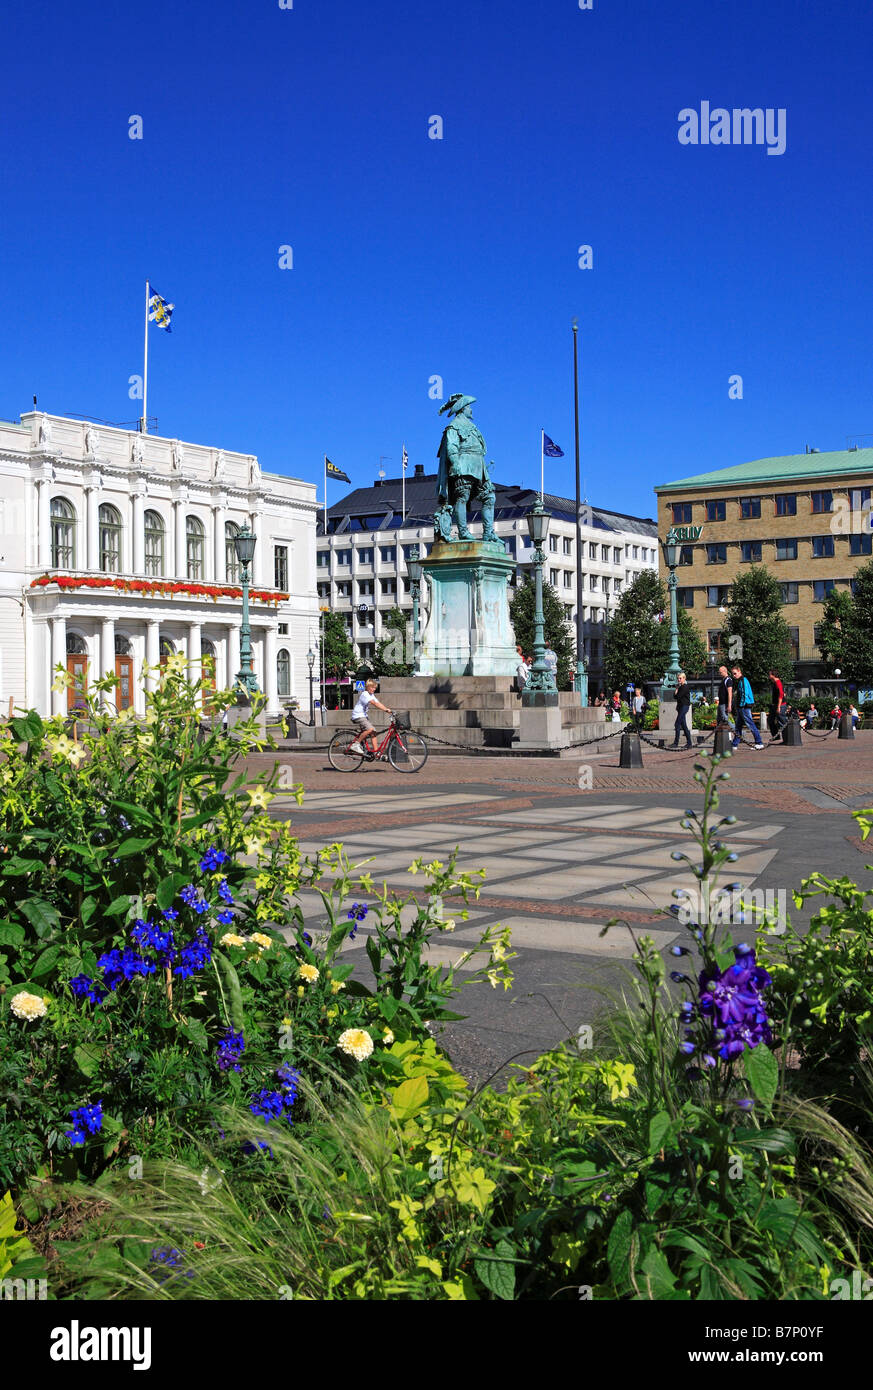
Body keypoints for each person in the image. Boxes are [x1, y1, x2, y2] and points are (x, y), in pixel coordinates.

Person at [349, 679, 392, 756]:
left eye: (375, 687)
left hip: (364, 716)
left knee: (373, 733)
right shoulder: (365, 694)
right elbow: (374, 703)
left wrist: (388, 709)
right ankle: (355, 744)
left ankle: (376, 753)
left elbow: (378, 703)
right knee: (370, 729)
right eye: (372, 687)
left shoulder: (371, 695)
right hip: (358, 715)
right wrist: (385, 710)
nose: (374, 689)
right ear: (368, 687)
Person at [731, 665, 764, 749]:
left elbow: (744, 694)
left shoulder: (743, 680)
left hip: (744, 706)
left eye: (735, 673)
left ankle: (759, 742)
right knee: (738, 726)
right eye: (733, 674)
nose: (734, 675)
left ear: (739, 671)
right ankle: (735, 744)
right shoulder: (741, 681)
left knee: (750, 724)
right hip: (742, 706)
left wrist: (741, 705)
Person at [671, 672, 693, 749]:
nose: (679, 679)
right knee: (684, 725)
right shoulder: (680, 687)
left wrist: (677, 691)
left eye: (680, 678)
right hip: (680, 707)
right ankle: (689, 743)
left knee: (677, 724)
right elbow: (674, 696)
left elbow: (678, 696)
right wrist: (677, 689)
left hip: (684, 706)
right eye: (678, 678)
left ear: (684, 678)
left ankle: (676, 743)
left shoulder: (685, 687)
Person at [767, 669, 788, 740]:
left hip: (780, 705)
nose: (768, 675)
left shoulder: (778, 683)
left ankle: (787, 738)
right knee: (770, 720)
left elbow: (781, 695)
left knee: (782, 722)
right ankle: (776, 736)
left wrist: (778, 707)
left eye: (769, 674)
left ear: (773, 675)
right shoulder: (774, 683)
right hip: (775, 705)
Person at [716, 664, 735, 731]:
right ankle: (718, 738)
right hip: (721, 703)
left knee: (725, 719)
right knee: (719, 720)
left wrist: (729, 705)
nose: (719, 674)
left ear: (724, 671)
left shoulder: (728, 680)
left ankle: (738, 732)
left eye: (720, 672)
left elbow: (730, 693)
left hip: (724, 703)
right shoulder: (723, 680)